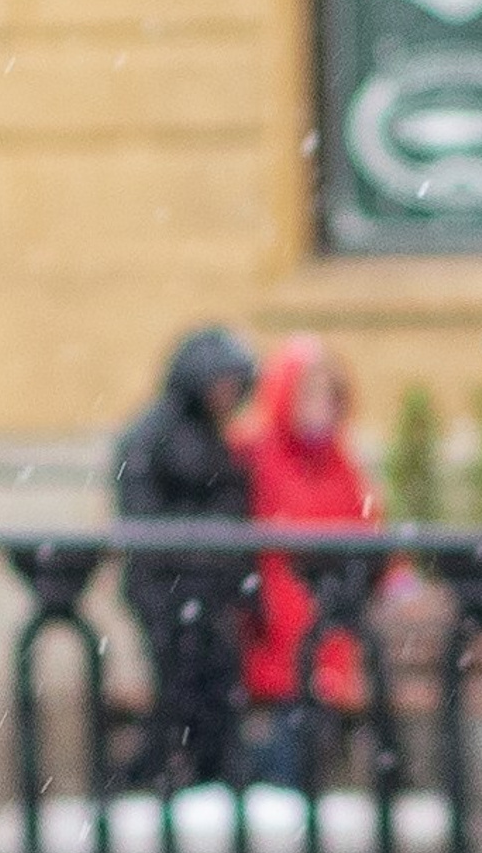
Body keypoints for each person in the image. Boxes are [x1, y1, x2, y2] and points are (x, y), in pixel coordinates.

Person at [113, 327, 255, 787]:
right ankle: (168, 776)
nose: (227, 396)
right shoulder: (155, 436)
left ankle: (207, 777)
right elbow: (144, 515)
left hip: (204, 592)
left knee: (212, 690)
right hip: (168, 590)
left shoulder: (208, 438)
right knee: (180, 691)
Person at [235, 337, 380, 771]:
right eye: (309, 394)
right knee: (286, 734)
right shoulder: (258, 457)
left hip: (329, 621)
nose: (321, 407)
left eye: (329, 396)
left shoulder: (340, 463)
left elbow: (367, 526)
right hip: (277, 625)